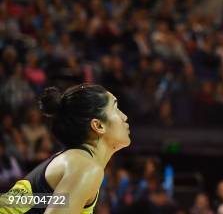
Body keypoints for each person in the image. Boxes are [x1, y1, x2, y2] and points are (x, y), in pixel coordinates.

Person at [0, 84, 130, 213]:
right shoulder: (85, 167)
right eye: (116, 108)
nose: (125, 116)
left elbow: (41, 202)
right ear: (98, 125)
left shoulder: (78, 162)